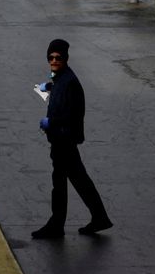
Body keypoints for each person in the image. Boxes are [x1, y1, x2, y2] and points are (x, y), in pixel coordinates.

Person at [32, 38, 112, 239]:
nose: (54, 60)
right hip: (60, 139)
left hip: (64, 140)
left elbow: (72, 114)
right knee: (76, 180)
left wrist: (50, 122)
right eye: (51, 57)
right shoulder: (60, 77)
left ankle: (57, 224)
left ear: (65, 58)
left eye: (58, 57)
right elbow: (57, 90)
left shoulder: (70, 82)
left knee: (63, 182)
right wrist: (48, 87)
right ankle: (98, 217)